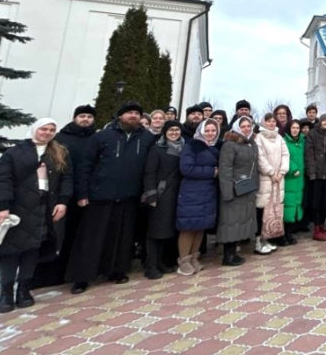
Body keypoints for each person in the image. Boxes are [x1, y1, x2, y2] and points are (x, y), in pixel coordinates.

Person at [70, 102, 154, 294]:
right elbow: (86, 166)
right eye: (129, 113)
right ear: (120, 116)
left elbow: (149, 168)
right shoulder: (102, 136)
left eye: (136, 113)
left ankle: (117, 270)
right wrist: (82, 193)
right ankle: (82, 277)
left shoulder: (147, 138)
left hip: (129, 196)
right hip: (100, 195)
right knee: (92, 238)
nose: (133, 116)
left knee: (122, 238)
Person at [0, 118, 72, 313]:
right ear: (35, 129)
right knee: (10, 251)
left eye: (52, 130)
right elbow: (2, 179)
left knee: (32, 249)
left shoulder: (59, 152)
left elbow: (67, 179)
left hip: (46, 206)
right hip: (19, 208)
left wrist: (63, 202)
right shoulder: (15, 152)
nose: (47, 133)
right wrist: (3, 206)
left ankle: (24, 289)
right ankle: (6, 293)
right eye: (44, 129)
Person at [44, 104, 95, 287]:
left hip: (88, 194)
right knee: (59, 234)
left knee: (82, 236)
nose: (85, 120)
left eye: (89, 117)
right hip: (63, 194)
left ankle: (77, 273)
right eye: (82, 116)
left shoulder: (96, 138)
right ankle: (53, 272)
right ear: (75, 117)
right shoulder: (61, 138)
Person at [176, 118, 221, 275]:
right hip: (192, 191)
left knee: (200, 226)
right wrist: (211, 172)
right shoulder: (192, 146)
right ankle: (184, 260)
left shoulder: (215, 148)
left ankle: (195, 257)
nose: (210, 133)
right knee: (188, 226)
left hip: (208, 192)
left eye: (213, 131)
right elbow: (186, 168)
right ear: (201, 131)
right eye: (207, 130)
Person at [142, 120, 184, 279]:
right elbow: (149, 172)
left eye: (177, 130)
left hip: (177, 193)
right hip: (161, 193)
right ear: (165, 132)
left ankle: (160, 262)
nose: (174, 133)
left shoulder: (183, 149)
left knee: (167, 230)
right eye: (171, 130)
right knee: (155, 230)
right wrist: (151, 194)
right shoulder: (157, 149)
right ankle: (150, 265)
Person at [217, 117, 259, 265]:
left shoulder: (251, 144)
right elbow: (225, 170)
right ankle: (227, 256)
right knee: (230, 222)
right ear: (237, 127)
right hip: (234, 189)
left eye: (249, 126)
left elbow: (254, 168)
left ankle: (233, 253)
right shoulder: (230, 145)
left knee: (239, 222)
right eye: (243, 126)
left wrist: (255, 186)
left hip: (246, 188)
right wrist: (227, 192)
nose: (246, 128)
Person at [256, 113, 290, 252]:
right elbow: (260, 157)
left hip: (279, 178)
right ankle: (258, 241)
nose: (271, 124)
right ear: (263, 123)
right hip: (266, 178)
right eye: (268, 121)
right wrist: (270, 172)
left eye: (273, 121)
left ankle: (268, 238)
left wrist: (282, 172)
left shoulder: (279, 138)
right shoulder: (259, 137)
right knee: (263, 208)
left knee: (275, 209)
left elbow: (285, 154)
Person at [305, 114, 326, 241]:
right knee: (316, 203)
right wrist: (312, 172)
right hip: (316, 175)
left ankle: (322, 226)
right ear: (320, 122)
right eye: (324, 120)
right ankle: (316, 229)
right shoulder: (313, 134)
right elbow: (309, 154)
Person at [281, 120, 305, 245]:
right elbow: (283, 157)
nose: (295, 130)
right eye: (293, 127)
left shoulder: (302, 141)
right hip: (290, 178)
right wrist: (292, 169)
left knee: (296, 205)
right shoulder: (284, 141)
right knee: (288, 207)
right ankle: (284, 234)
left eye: (297, 127)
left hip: (300, 179)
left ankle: (290, 232)